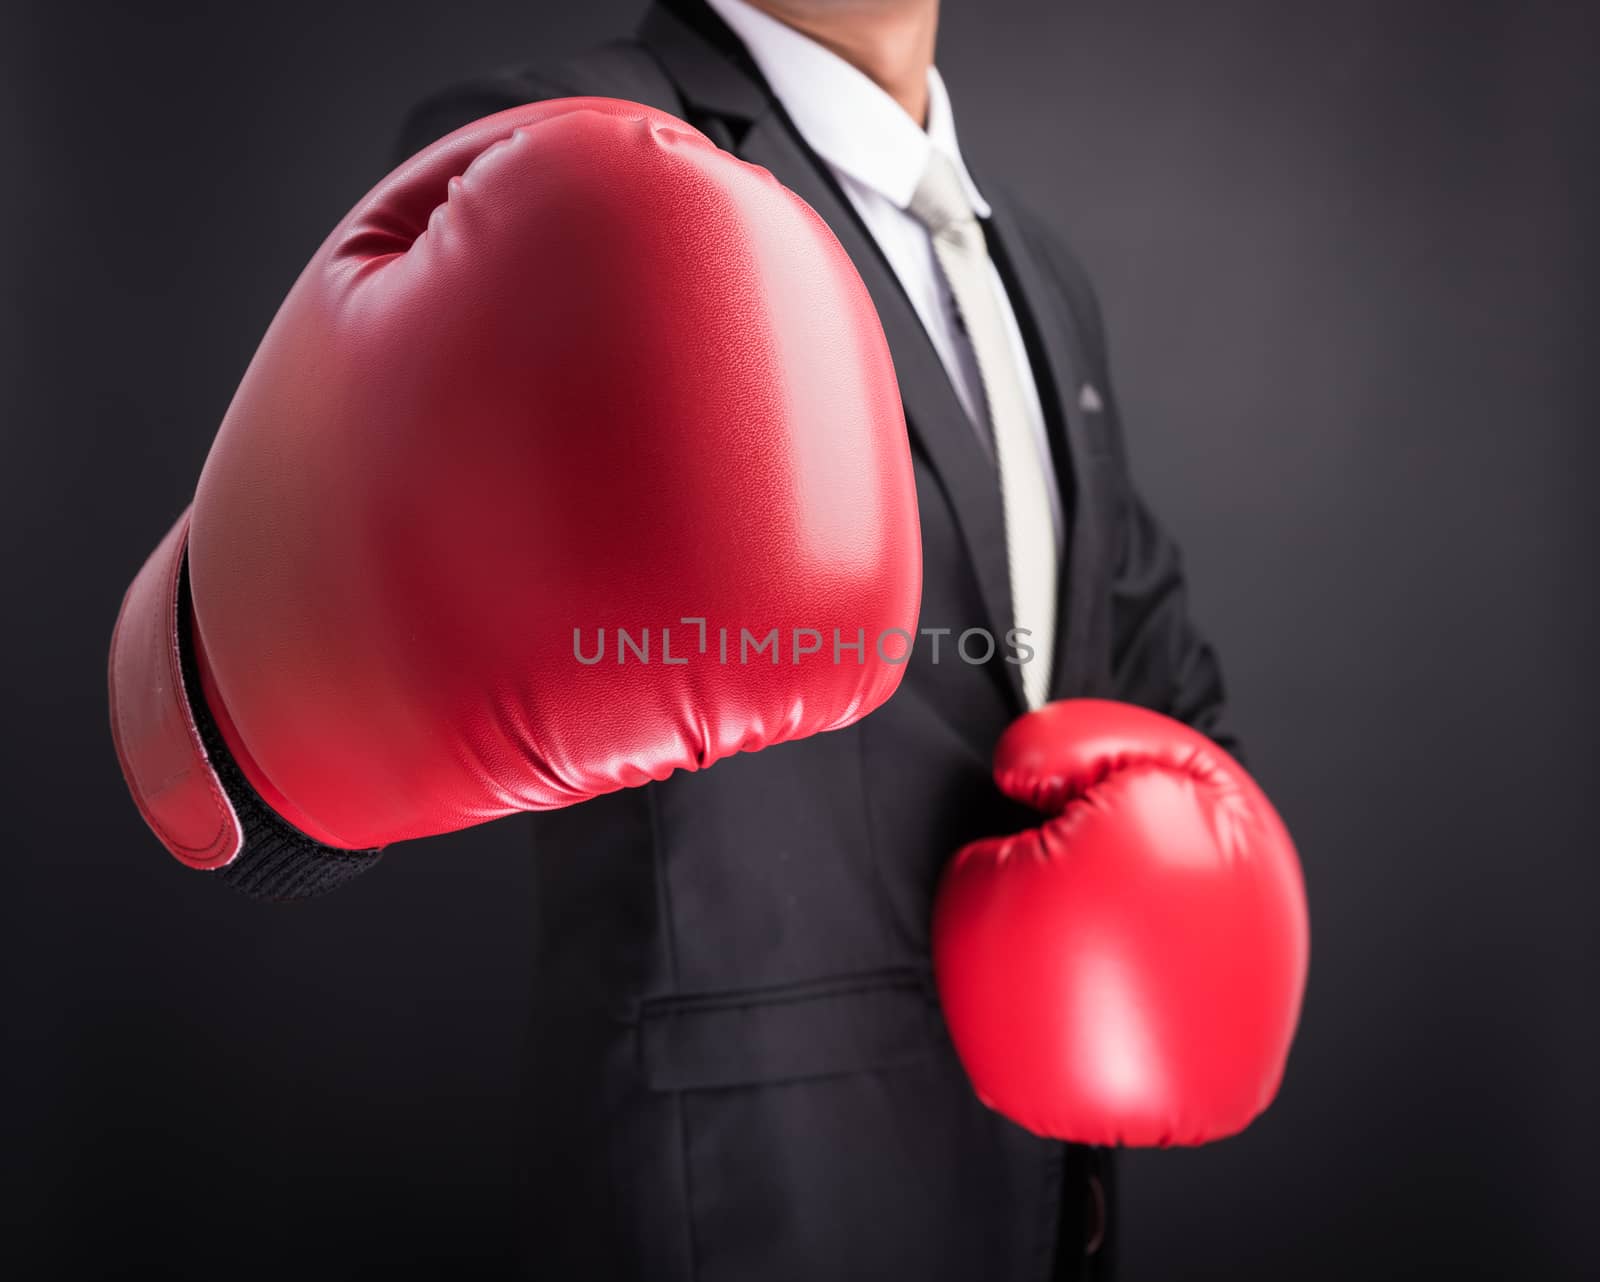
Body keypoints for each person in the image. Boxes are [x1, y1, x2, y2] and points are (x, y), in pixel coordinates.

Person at [110, 1, 1310, 1278]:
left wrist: (1190, 887)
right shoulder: (562, 146)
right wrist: (235, 736)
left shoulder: (1040, 273)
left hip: (1051, 1196)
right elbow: (339, 589)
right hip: (740, 1193)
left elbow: (1140, 659)